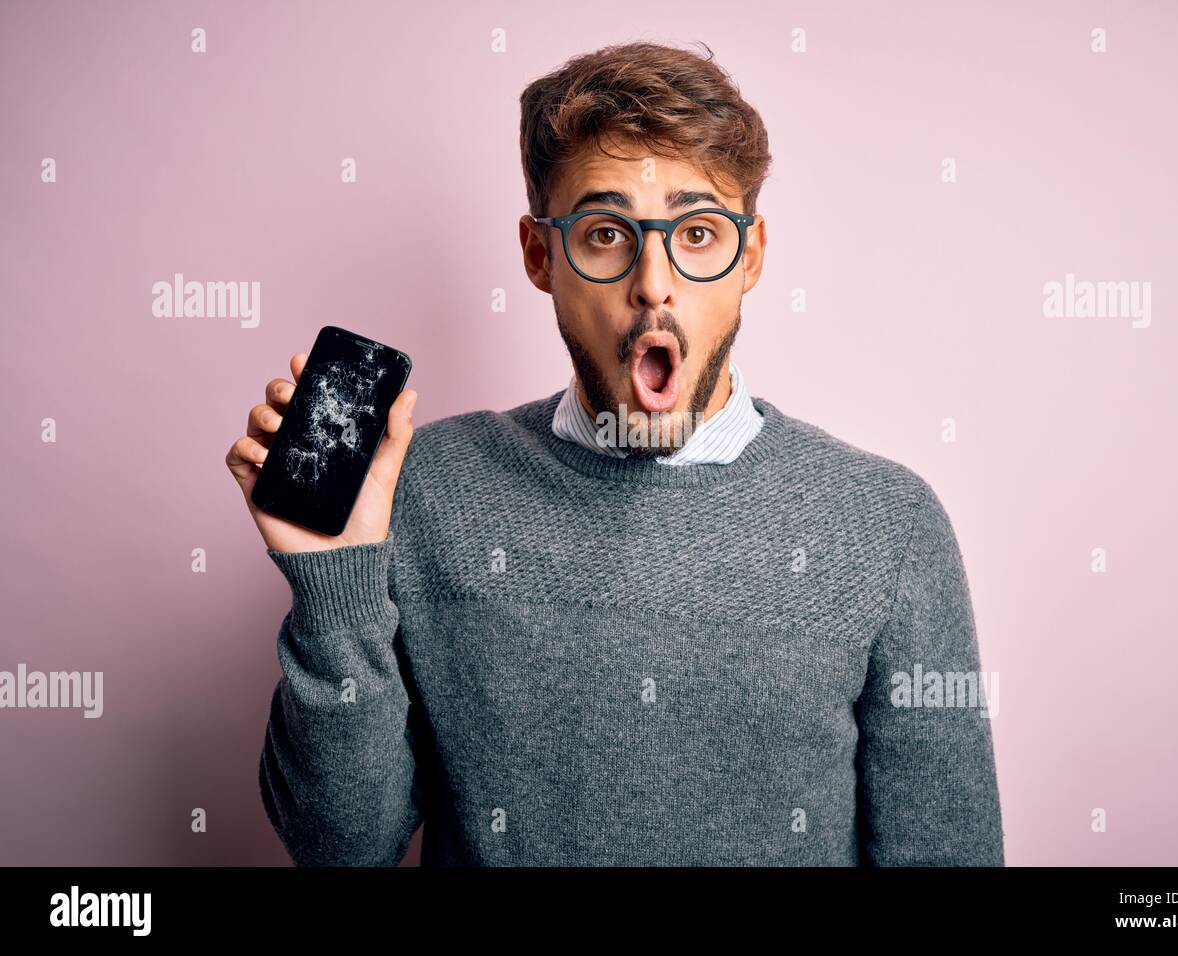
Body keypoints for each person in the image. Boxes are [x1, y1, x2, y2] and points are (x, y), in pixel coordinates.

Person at [226, 40, 1005, 866]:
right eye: (605, 233)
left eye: (698, 232)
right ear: (540, 256)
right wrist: (334, 592)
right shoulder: (424, 493)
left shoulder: (887, 526)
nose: (654, 282)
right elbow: (340, 847)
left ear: (751, 256)